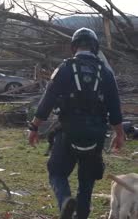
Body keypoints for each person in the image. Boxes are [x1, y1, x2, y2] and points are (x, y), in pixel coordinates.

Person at [27, 27, 125, 219]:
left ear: (74, 47)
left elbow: (47, 101)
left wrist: (34, 127)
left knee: (56, 173)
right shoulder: (105, 72)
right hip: (95, 135)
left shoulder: (64, 69)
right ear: (95, 47)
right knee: (86, 183)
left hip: (68, 132)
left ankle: (65, 202)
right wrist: (119, 133)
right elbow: (115, 107)